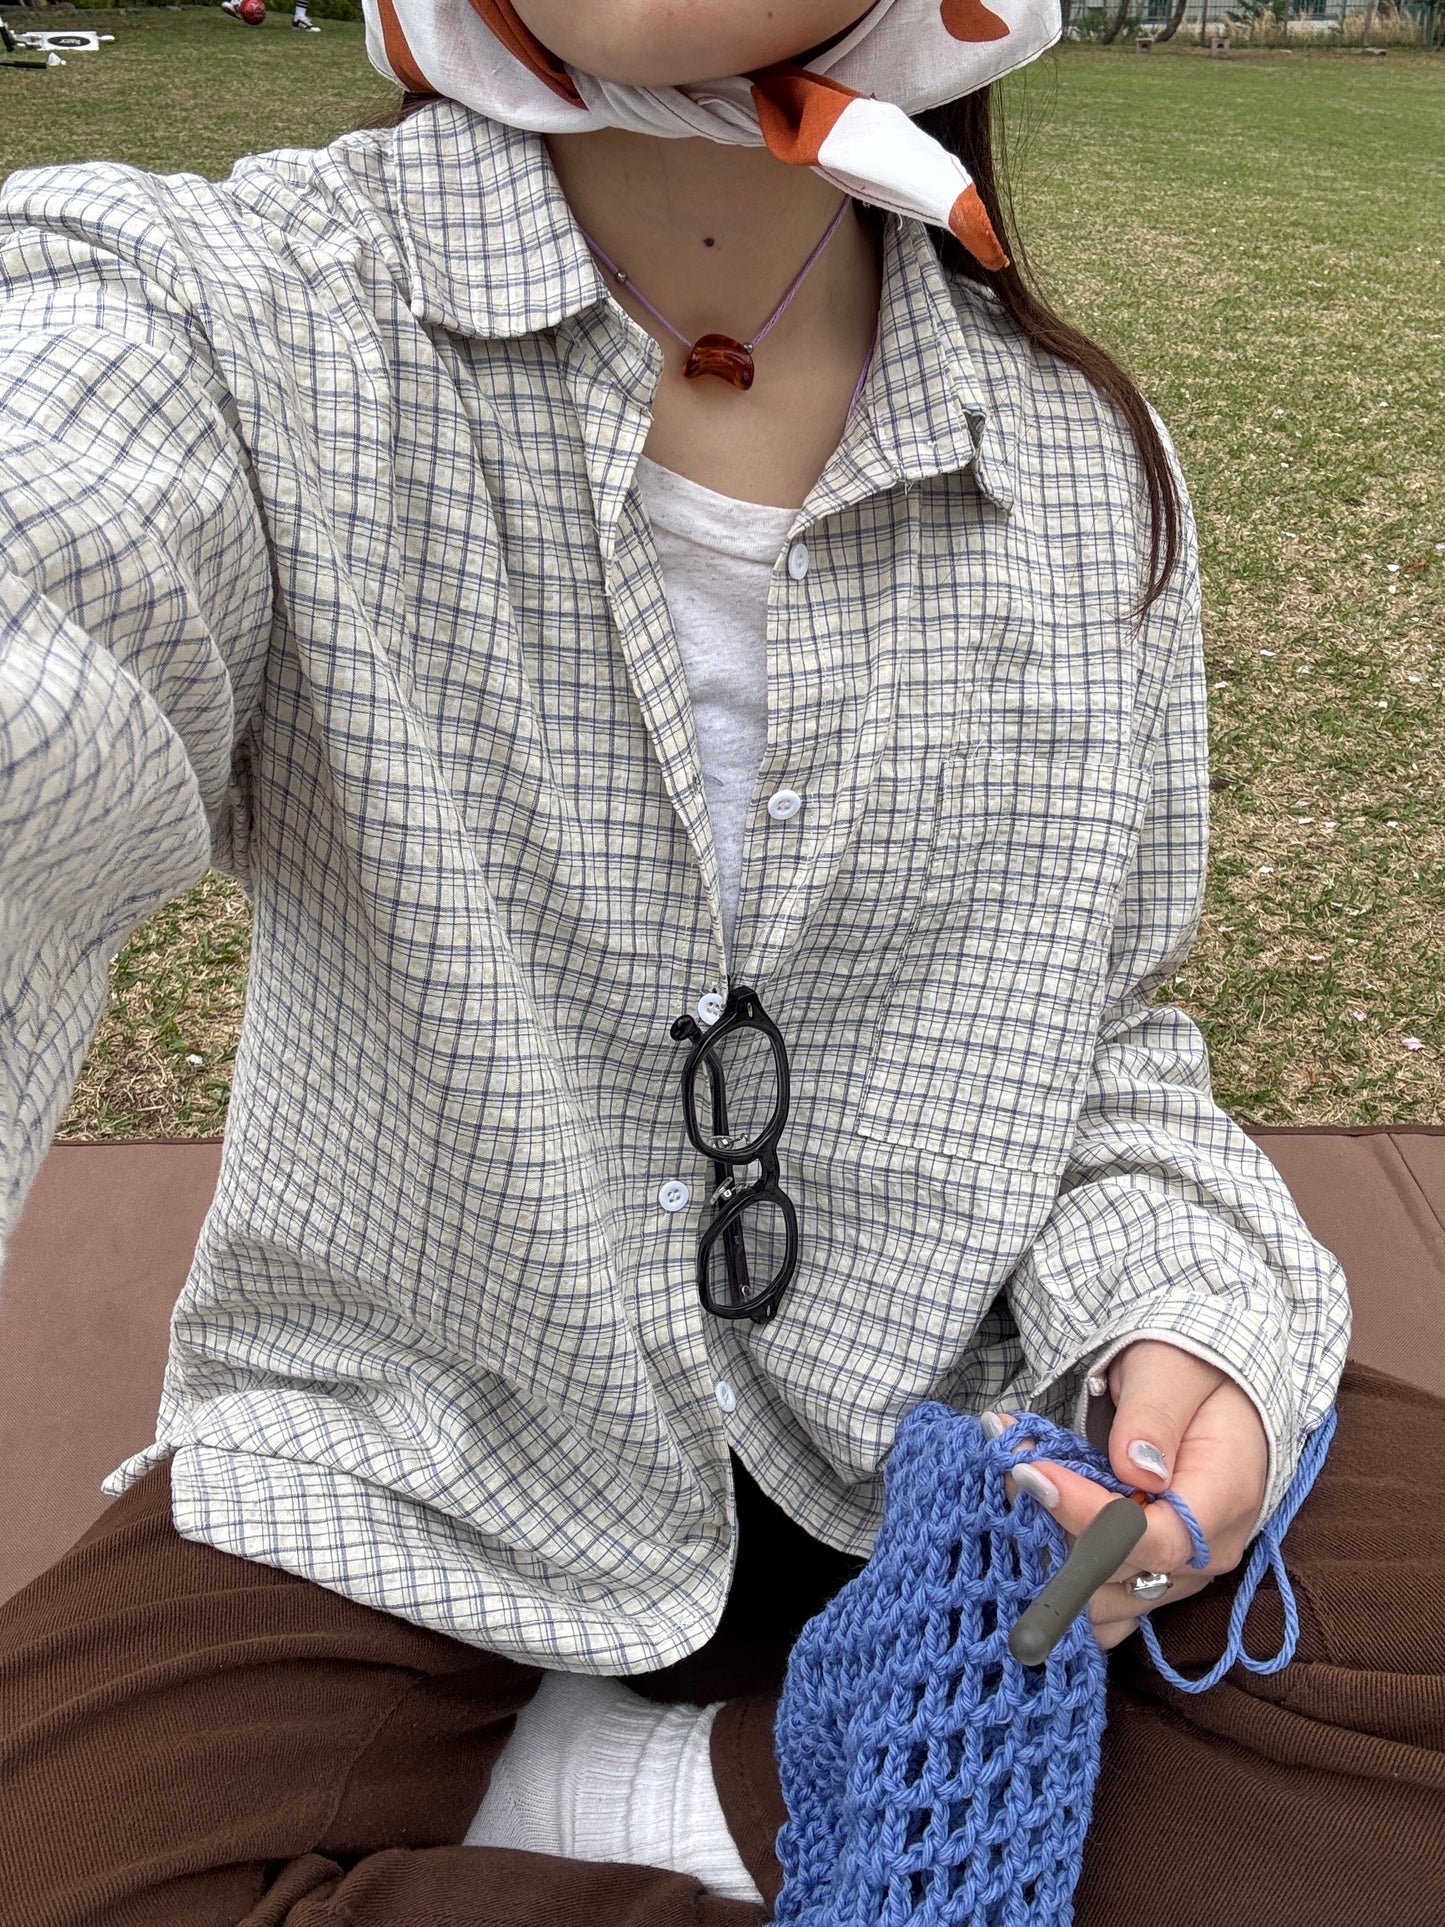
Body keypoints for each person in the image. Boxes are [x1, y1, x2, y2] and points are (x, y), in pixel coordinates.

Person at [0, 1, 1440, 1922]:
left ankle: (711, 1783)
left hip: (971, 1427)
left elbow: (1100, 1036)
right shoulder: (214, 320)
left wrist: (1176, 1321)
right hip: (416, 1456)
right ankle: (872, 1798)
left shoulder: (1085, 461)